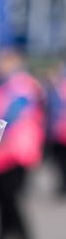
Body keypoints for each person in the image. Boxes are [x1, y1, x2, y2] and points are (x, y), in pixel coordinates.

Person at [0, 44, 45, 239]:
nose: (1, 65)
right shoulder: (1, 87)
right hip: (1, 153)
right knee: (0, 200)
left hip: (17, 152)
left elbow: (12, 116)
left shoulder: (22, 85)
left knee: (11, 199)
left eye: (6, 61)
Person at [44, 62, 66, 196]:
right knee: (59, 161)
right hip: (57, 133)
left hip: (60, 132)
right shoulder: (55, 89)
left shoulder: (59, 88)